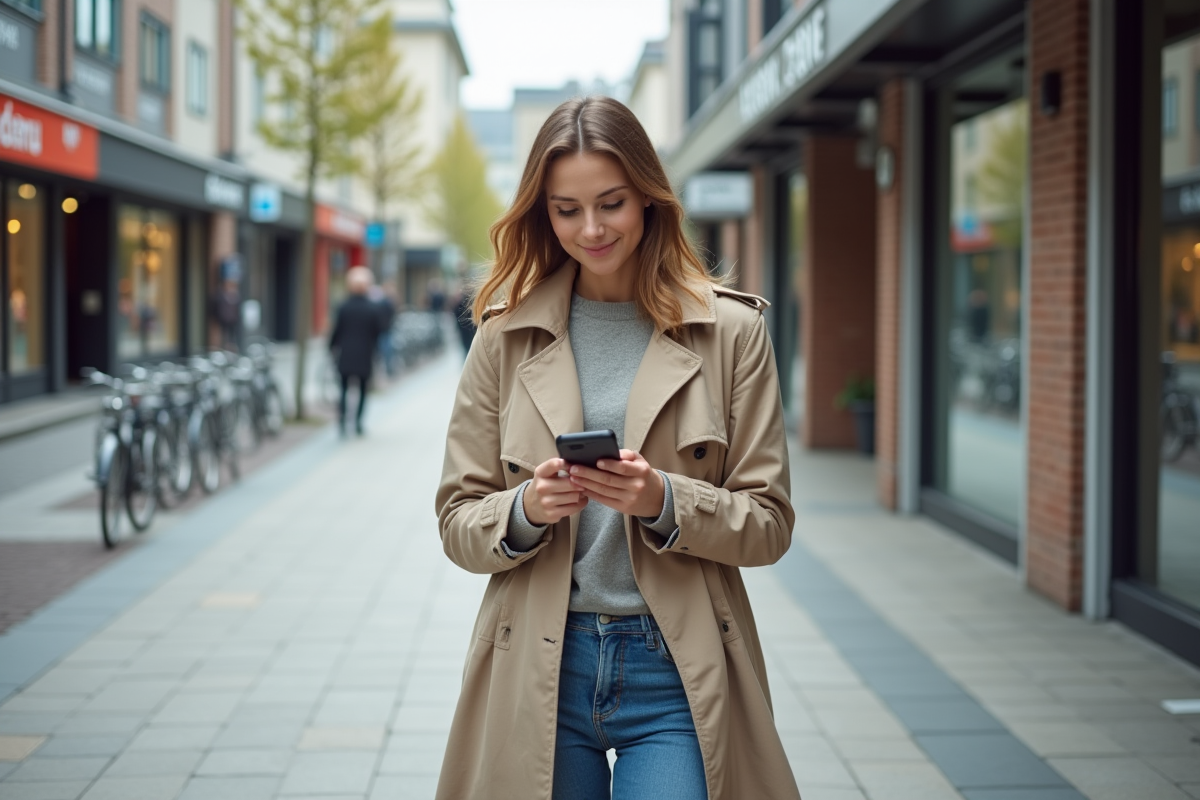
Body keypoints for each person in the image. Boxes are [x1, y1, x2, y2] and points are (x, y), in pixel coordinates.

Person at [435, 96, 799, 800]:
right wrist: (527, 509)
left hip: (677, 668)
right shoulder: (502, 336)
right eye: (567, 210)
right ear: (543, 213)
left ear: (649, 198)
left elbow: (770, 524)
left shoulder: (731, 333)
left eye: (612, 203)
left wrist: (665, 500)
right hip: (540, 661)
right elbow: (457, 520)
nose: (592, 228)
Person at [328, 266, 385, 436]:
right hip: (365, 354)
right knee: (362, 390)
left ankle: (342, 422)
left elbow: (336, 330)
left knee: (344, 389)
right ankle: (359, 423)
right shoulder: (372, 308)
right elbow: (378, 331)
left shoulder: (343, 306)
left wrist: (331, 347)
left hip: (345, 354)